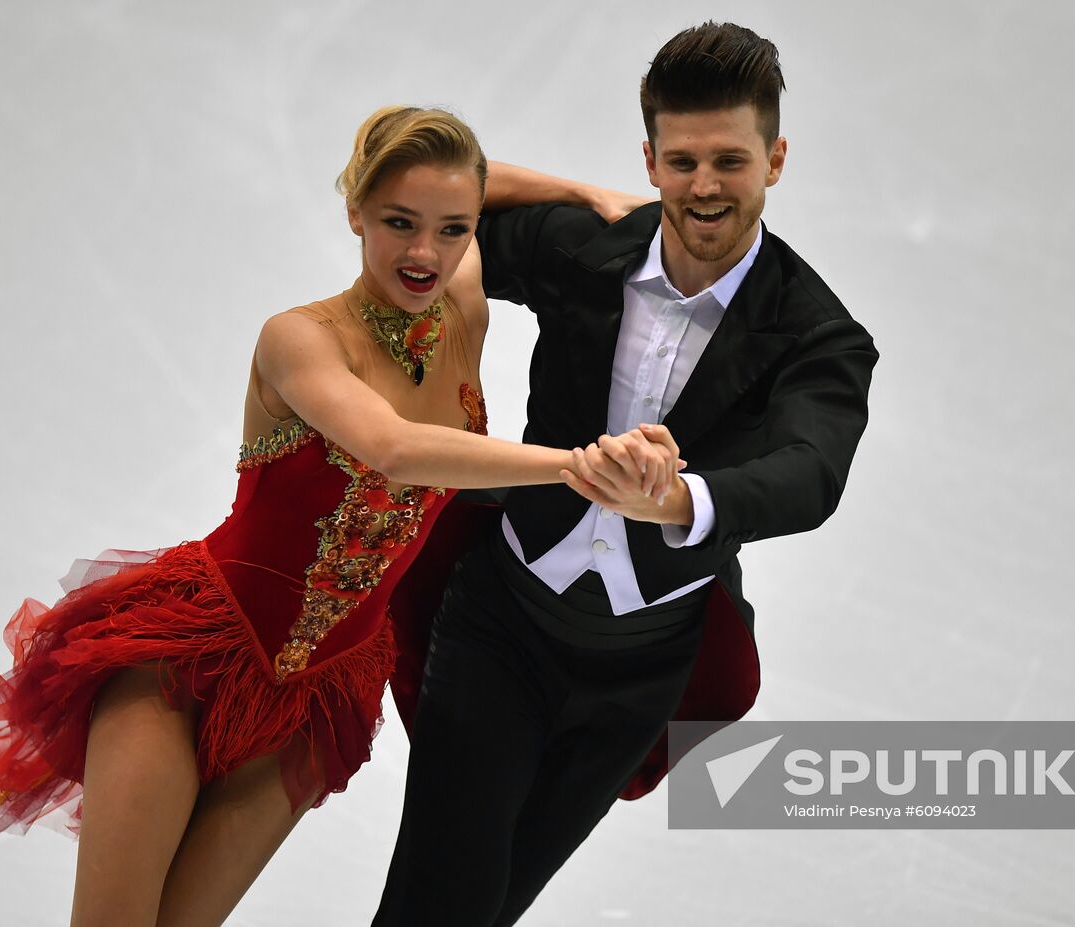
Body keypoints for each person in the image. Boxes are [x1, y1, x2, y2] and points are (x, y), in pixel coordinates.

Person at [0, 105, 673, 927]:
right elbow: (394, 447)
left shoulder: (461, 315)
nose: (425, 254)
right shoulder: (299, 339)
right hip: (188, 661)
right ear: (354, 210)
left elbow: (474, 185)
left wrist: (578, 188)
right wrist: (579, 467)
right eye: (398, 223)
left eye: (452, 230)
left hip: (312, 702)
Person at [375, 22, 879, 926]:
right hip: (500, 623)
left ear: (777, 160)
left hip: (640, 671)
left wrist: (677, 498)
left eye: (731, 159)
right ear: (647, 159)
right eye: (682, 160)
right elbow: (419, 200)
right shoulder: (585, 248)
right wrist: (568, 189)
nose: (707, 186)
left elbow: (811, 470)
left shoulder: (815, 331)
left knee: (491, 906)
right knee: (434, 903)